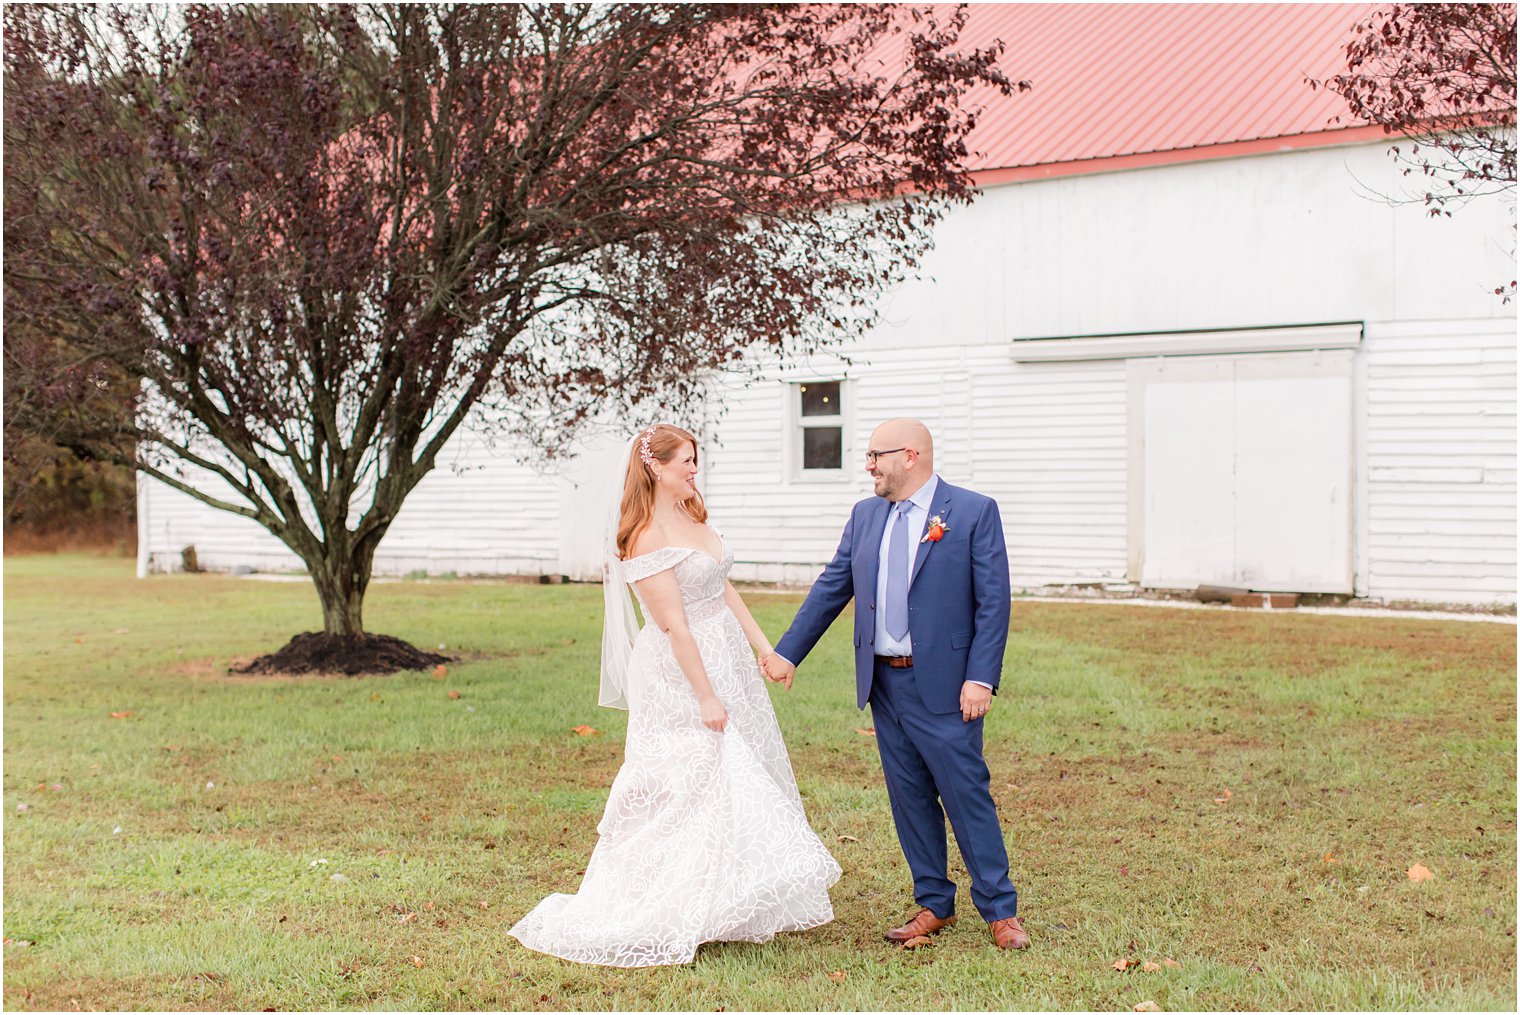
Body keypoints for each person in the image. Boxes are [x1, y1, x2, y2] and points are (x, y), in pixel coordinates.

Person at [510, 423, 840, 968]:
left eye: (694, 460)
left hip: (727, 654)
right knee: (690, 777)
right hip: (683, 669)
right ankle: (670, 900)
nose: (693, 469)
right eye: (685, 461)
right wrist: (706, 697)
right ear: (655, 468)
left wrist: (765, 648)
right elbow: (674, 627)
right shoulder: (643, 536)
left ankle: (730, 898)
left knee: (737, 770)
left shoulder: (690, 514)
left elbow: (722, 586)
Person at [761, 418, 1030, 951]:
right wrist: (788, 651)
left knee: (965, 793)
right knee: (909, 797)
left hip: (950, 687)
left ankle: (1000, 911)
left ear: (910, 456)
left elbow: (994, 603)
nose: (868, 466)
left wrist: (980, 678)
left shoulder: (973, 511)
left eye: (874, 455)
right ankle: (934, 902)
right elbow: (834, 584)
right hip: (885, 682)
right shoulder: (865, 515)